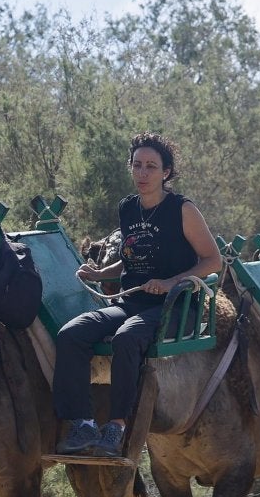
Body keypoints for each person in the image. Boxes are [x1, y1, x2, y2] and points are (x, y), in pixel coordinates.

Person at [51, 133, 222, 462]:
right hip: (132, 303)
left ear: (166, 172)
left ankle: (116, 427)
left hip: (175, 306)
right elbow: (131, 258)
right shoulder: (128, 208)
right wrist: (101, 275)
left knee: (127, 339)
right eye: (137, 165)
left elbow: (213, 261)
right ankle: (83, 423)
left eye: (151, 167)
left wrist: (171, 281)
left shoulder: (182, 209)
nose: (143, 173)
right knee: (71, 333)